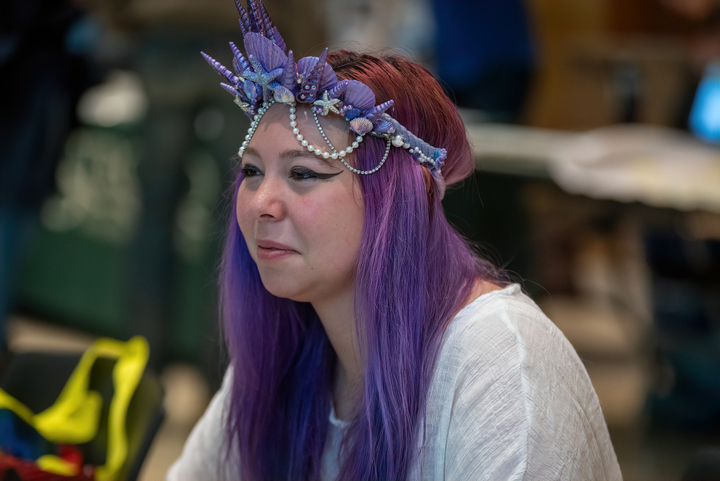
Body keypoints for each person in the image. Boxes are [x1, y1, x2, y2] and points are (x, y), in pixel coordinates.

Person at [167, 1, 623, 480]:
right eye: (252, 171)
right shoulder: (276, 358)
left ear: (397, 196)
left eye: (303, 173)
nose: (262, 201)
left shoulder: (500, 363)